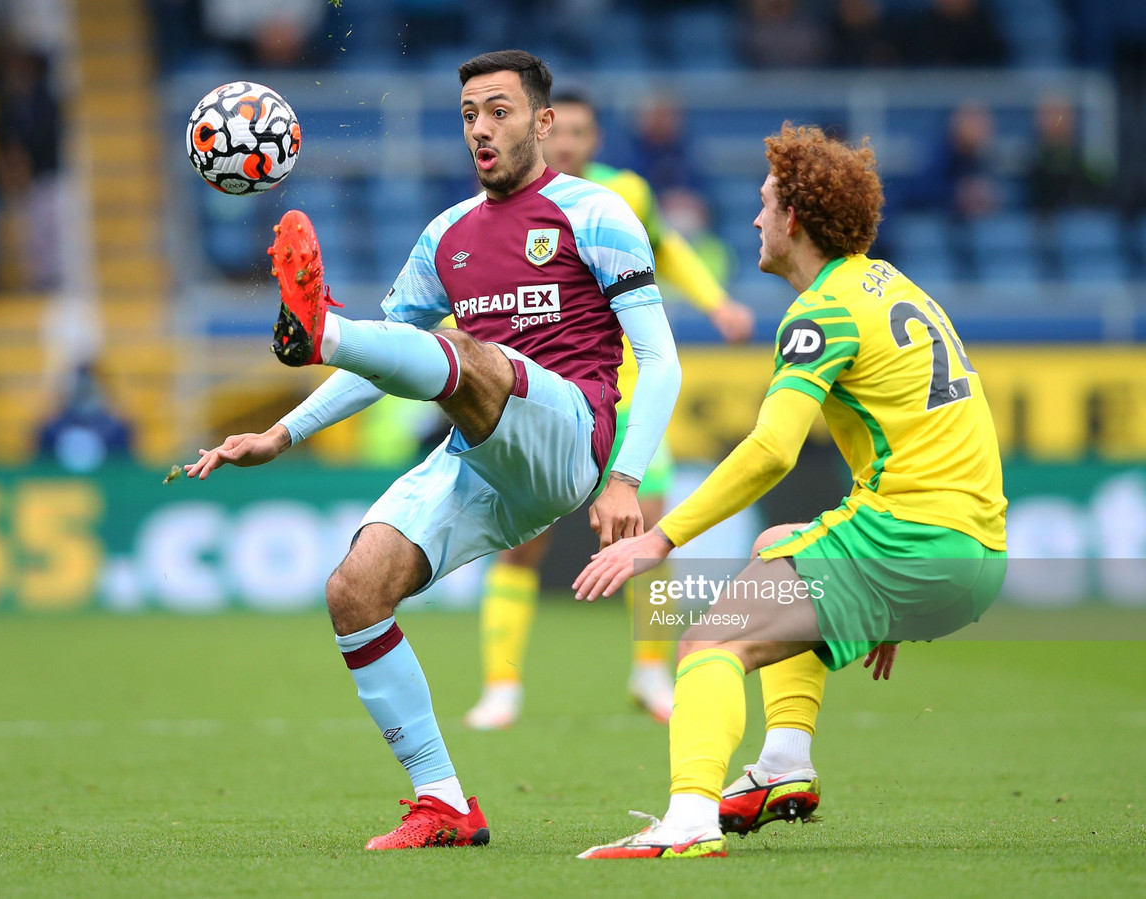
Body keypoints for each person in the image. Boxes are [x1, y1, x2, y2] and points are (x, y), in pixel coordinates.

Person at [184, 50, 681, 850]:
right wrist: (282, 434)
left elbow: (663, 358)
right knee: (354, 588)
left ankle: (322, 330)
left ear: (542, 123)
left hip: (572, 436)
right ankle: (443, 800)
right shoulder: (445, 235)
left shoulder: (598, 213)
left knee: (463, 355)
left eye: (499, 111)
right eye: (468, 116)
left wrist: (624, 475)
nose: (480, 128)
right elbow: (392, 354)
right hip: (483, 454)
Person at [574, 123, 1007, 859]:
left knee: (708, 640)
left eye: (766, 203)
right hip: (975, 550)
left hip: (910, 539)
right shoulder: (896, 286)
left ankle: (686, 822)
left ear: (794, 220)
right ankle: (784, 765)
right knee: (780, 543)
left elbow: (773, 448)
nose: (754, 219)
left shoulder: (821, 311)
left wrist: (660, 536)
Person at [465, 89, 753, 730]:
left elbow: (669, 248)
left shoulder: (624, 195)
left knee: (651, 533)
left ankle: (650, 672)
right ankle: (501, 687)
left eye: (580, 132)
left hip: (617, 394)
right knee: (522, 543)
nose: (566, 143)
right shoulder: (504, 202)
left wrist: (716, 303)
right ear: (539, 133)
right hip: (536, 397)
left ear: (595, 141)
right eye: (557, 130)